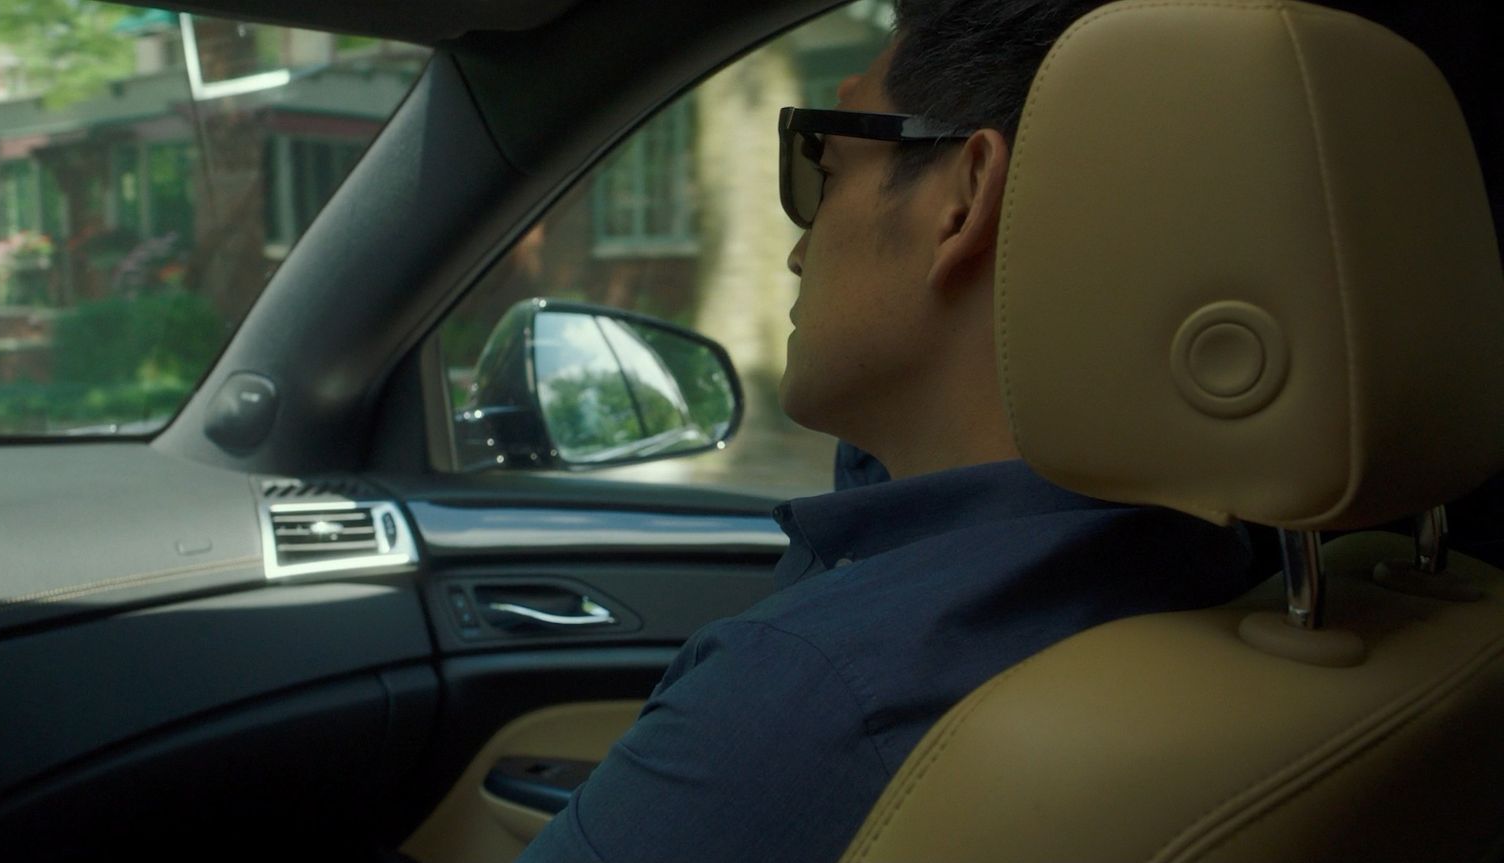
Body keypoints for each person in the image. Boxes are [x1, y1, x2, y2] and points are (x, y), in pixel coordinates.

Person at [518, 1, 1259, 860]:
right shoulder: (1244, 572)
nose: (799, 251)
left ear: (963, 197)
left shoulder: (811, 693)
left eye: (824, 171)